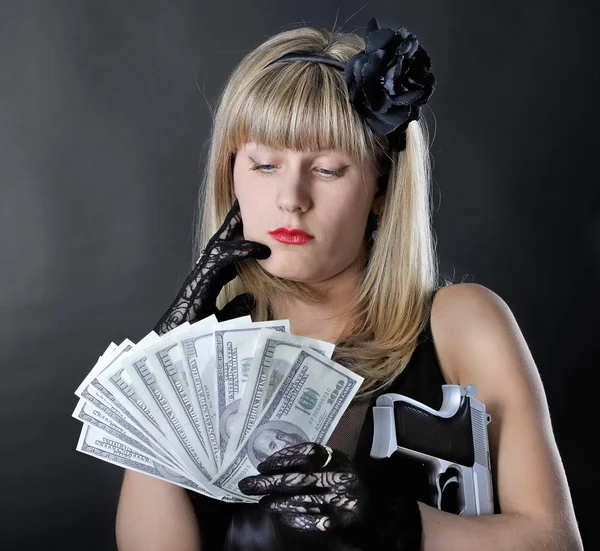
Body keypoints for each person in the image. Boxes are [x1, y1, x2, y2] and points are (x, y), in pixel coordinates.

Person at [115, 16, 583, 551]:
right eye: (265, 164)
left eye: (329, 169)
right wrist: (164, 370)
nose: (292, 197)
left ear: (381, 187)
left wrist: (395, 523)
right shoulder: (204, 348)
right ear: (232, 175)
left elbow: (555, 541)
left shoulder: (462, 323)